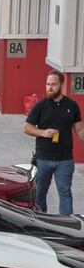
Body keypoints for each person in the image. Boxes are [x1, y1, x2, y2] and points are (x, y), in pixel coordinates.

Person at [24, 71, 84, 216]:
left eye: (53, 84)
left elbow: (80, 130)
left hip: (65, 160)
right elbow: (27, 127)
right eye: (48, 84)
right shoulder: (40, 106)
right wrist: (42, 132)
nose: (49, 87)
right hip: (43, 159)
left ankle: (67, 226)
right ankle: (41, 222)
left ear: (61, 85)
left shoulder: (72, 106)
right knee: (39, 194)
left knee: (65, 193)